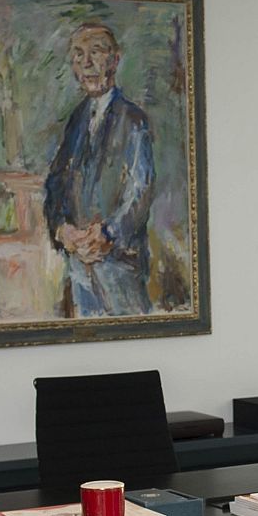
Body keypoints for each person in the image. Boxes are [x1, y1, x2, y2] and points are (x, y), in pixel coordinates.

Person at [43, 22, 155, 318]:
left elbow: (140, 191)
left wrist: (108, 232)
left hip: (121, 267)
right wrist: (61, 228)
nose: (87, 63)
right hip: (79, 268)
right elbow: (55, 183)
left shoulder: (133, 120)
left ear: (115, 60)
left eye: (96, 52)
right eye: (78, 54)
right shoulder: (76, 120)